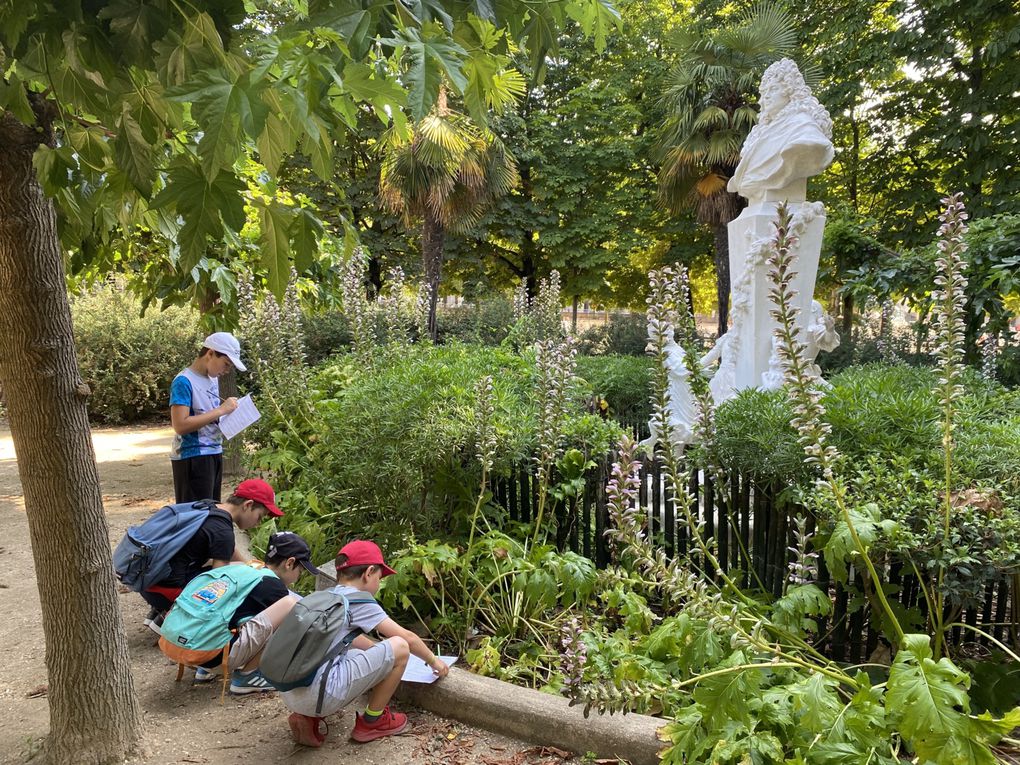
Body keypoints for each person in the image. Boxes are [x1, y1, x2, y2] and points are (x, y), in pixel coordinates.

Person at [280, 540, 450, 746]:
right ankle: (373, 721)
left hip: (290, 693)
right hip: (320, 698)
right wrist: (435, 662)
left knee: (353, 652)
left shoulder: (323, 597)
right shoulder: (359, 600)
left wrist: (378, 656)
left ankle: (307, 717)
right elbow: (408, 638)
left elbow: (346, 640)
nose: (378, 584)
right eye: (379, 578)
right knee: (400, 648)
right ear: (369, 573)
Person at [174, 531, 327, 694]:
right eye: (301, 570)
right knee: (290, 610)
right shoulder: (274, 588)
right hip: (214, 657)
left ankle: (203, 671)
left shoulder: (245, 570)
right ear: (289, 563)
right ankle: (247, 676)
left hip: (191, 648)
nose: (299, 575)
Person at [141, 478, 283, 633]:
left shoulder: (210, 507)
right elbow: (219, 580)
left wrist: (249, 564)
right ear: (247, 505)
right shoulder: (222, 531)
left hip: (148, 580)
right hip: (166, 590)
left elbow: (227, 547)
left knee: (231, 567)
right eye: (260, 516)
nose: (258, 523)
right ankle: (172, 616)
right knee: (231, 585)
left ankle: (159, 609)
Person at [727, 58, 834, 205]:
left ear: (789, 91)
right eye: (764, 92)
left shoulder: (802, 127)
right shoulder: (761, 133)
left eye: (773, 89)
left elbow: (807, 147)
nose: (767, 96)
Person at [170, 331, 246, 504]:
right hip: (192, 456)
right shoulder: (183, 381)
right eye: (226, 364)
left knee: (210, 514)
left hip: (213, 451)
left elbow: (207, 415)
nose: (226, 371)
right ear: (210, 353)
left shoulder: (211, 379)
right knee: (196, 517)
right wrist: (221, 410)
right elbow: (180, 425)